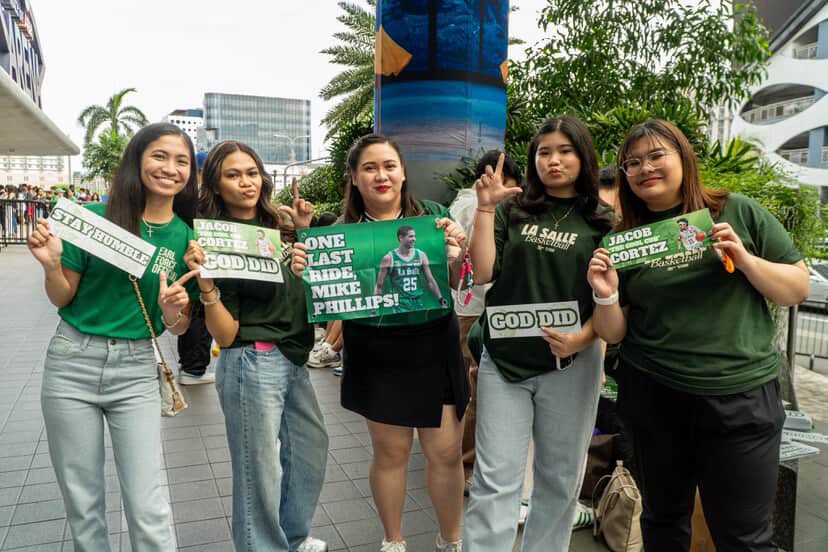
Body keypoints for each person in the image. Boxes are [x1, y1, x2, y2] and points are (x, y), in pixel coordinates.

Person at [587, 119, 808, 551]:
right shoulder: (624, 240)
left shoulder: (736, 212)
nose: (644, 168)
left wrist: (745, 261)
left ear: (683, 158)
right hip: (654, 397)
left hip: (740, 399)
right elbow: (614, 331)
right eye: (632, 163)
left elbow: (796, 288)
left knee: (744, 537)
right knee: (662, 522)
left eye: (656, 156)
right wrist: (607, 295)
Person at [291, 134, 469, 552]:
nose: (381, 175)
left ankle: (452, 542)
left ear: (403, 171)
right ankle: (393, 542)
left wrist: (457, 253)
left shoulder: (435, 218)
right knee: (391, 454)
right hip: (376, 350)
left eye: (389, 165)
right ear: (353, 178)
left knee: (444, 453)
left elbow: (459, 279)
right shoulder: (339, 233)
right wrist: (307, 267)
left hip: (433, 345)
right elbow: (324, 297)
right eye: (369, 168)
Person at [27, 122, 200, 551]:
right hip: (72, 363)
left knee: (147, 504)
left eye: (182, 161)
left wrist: (171, 312)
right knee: (83, 502)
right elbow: (63, 295)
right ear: (137, 160)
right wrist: (51, 265)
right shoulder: (91, 220)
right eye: (159, 156)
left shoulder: (187, 239)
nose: (170, 168)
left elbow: (178, 325)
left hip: (138, 369)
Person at [463, 116, 614, 552]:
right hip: (505, 364)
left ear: (583, 157)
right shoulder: (511, 209)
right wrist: (485, 209)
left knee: (560, 479)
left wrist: (583, 339)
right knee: (495, 481)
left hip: (571, 365)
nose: (554, 160)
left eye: (565, 150)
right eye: (544, 151)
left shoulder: (604, 220)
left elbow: (609, 297)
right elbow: (484, 273)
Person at [184, 140, 329, 552]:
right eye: (233, 174)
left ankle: (292, 536)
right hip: (251, 359)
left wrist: (301, 232)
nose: (246, 182)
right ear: (214, 184)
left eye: (251, 172)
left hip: (294, 357)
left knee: (309, 449)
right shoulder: (212, 238)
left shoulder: (278, 222)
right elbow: (226, 336)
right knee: (257, 470)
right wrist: (207, 285)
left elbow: (301, 288)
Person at [447, 151, 522, 495]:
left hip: (465, 307)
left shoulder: (458, 204)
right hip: (475, 307)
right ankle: (465, 464)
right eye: (501, 177)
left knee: (466, 388)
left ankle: (458, 460)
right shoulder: (473, 206)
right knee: (474, 392)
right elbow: (476, 266)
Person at [178, 149, 216, 385]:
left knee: (192, 312)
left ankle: (190, 365)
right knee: (199, 316)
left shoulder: (184, 195)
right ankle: (193, 369)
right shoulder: (201, 197)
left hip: (188, 260)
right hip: (199, 262)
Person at [373, 224, 447, 312]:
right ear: (401, 238)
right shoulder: (389, 258)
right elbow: (379, 285)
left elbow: (430, 281)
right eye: (411, 236)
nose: (414, 239)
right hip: (400, 304)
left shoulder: (421, 255)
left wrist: (441, 300)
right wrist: (374, 308)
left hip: (418, 303)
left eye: (414, 236)